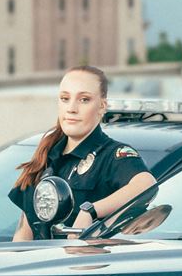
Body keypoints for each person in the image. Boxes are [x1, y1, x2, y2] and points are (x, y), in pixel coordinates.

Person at [8, 66, 154, 241]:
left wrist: (90, 211)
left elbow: (146, 184)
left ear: (102, 106)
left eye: (84, 99)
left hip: (85, 265)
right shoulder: (45, 158)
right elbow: (24, 234)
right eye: (65, 99)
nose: (71, 108)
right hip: (42, 266)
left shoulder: (111, 155)